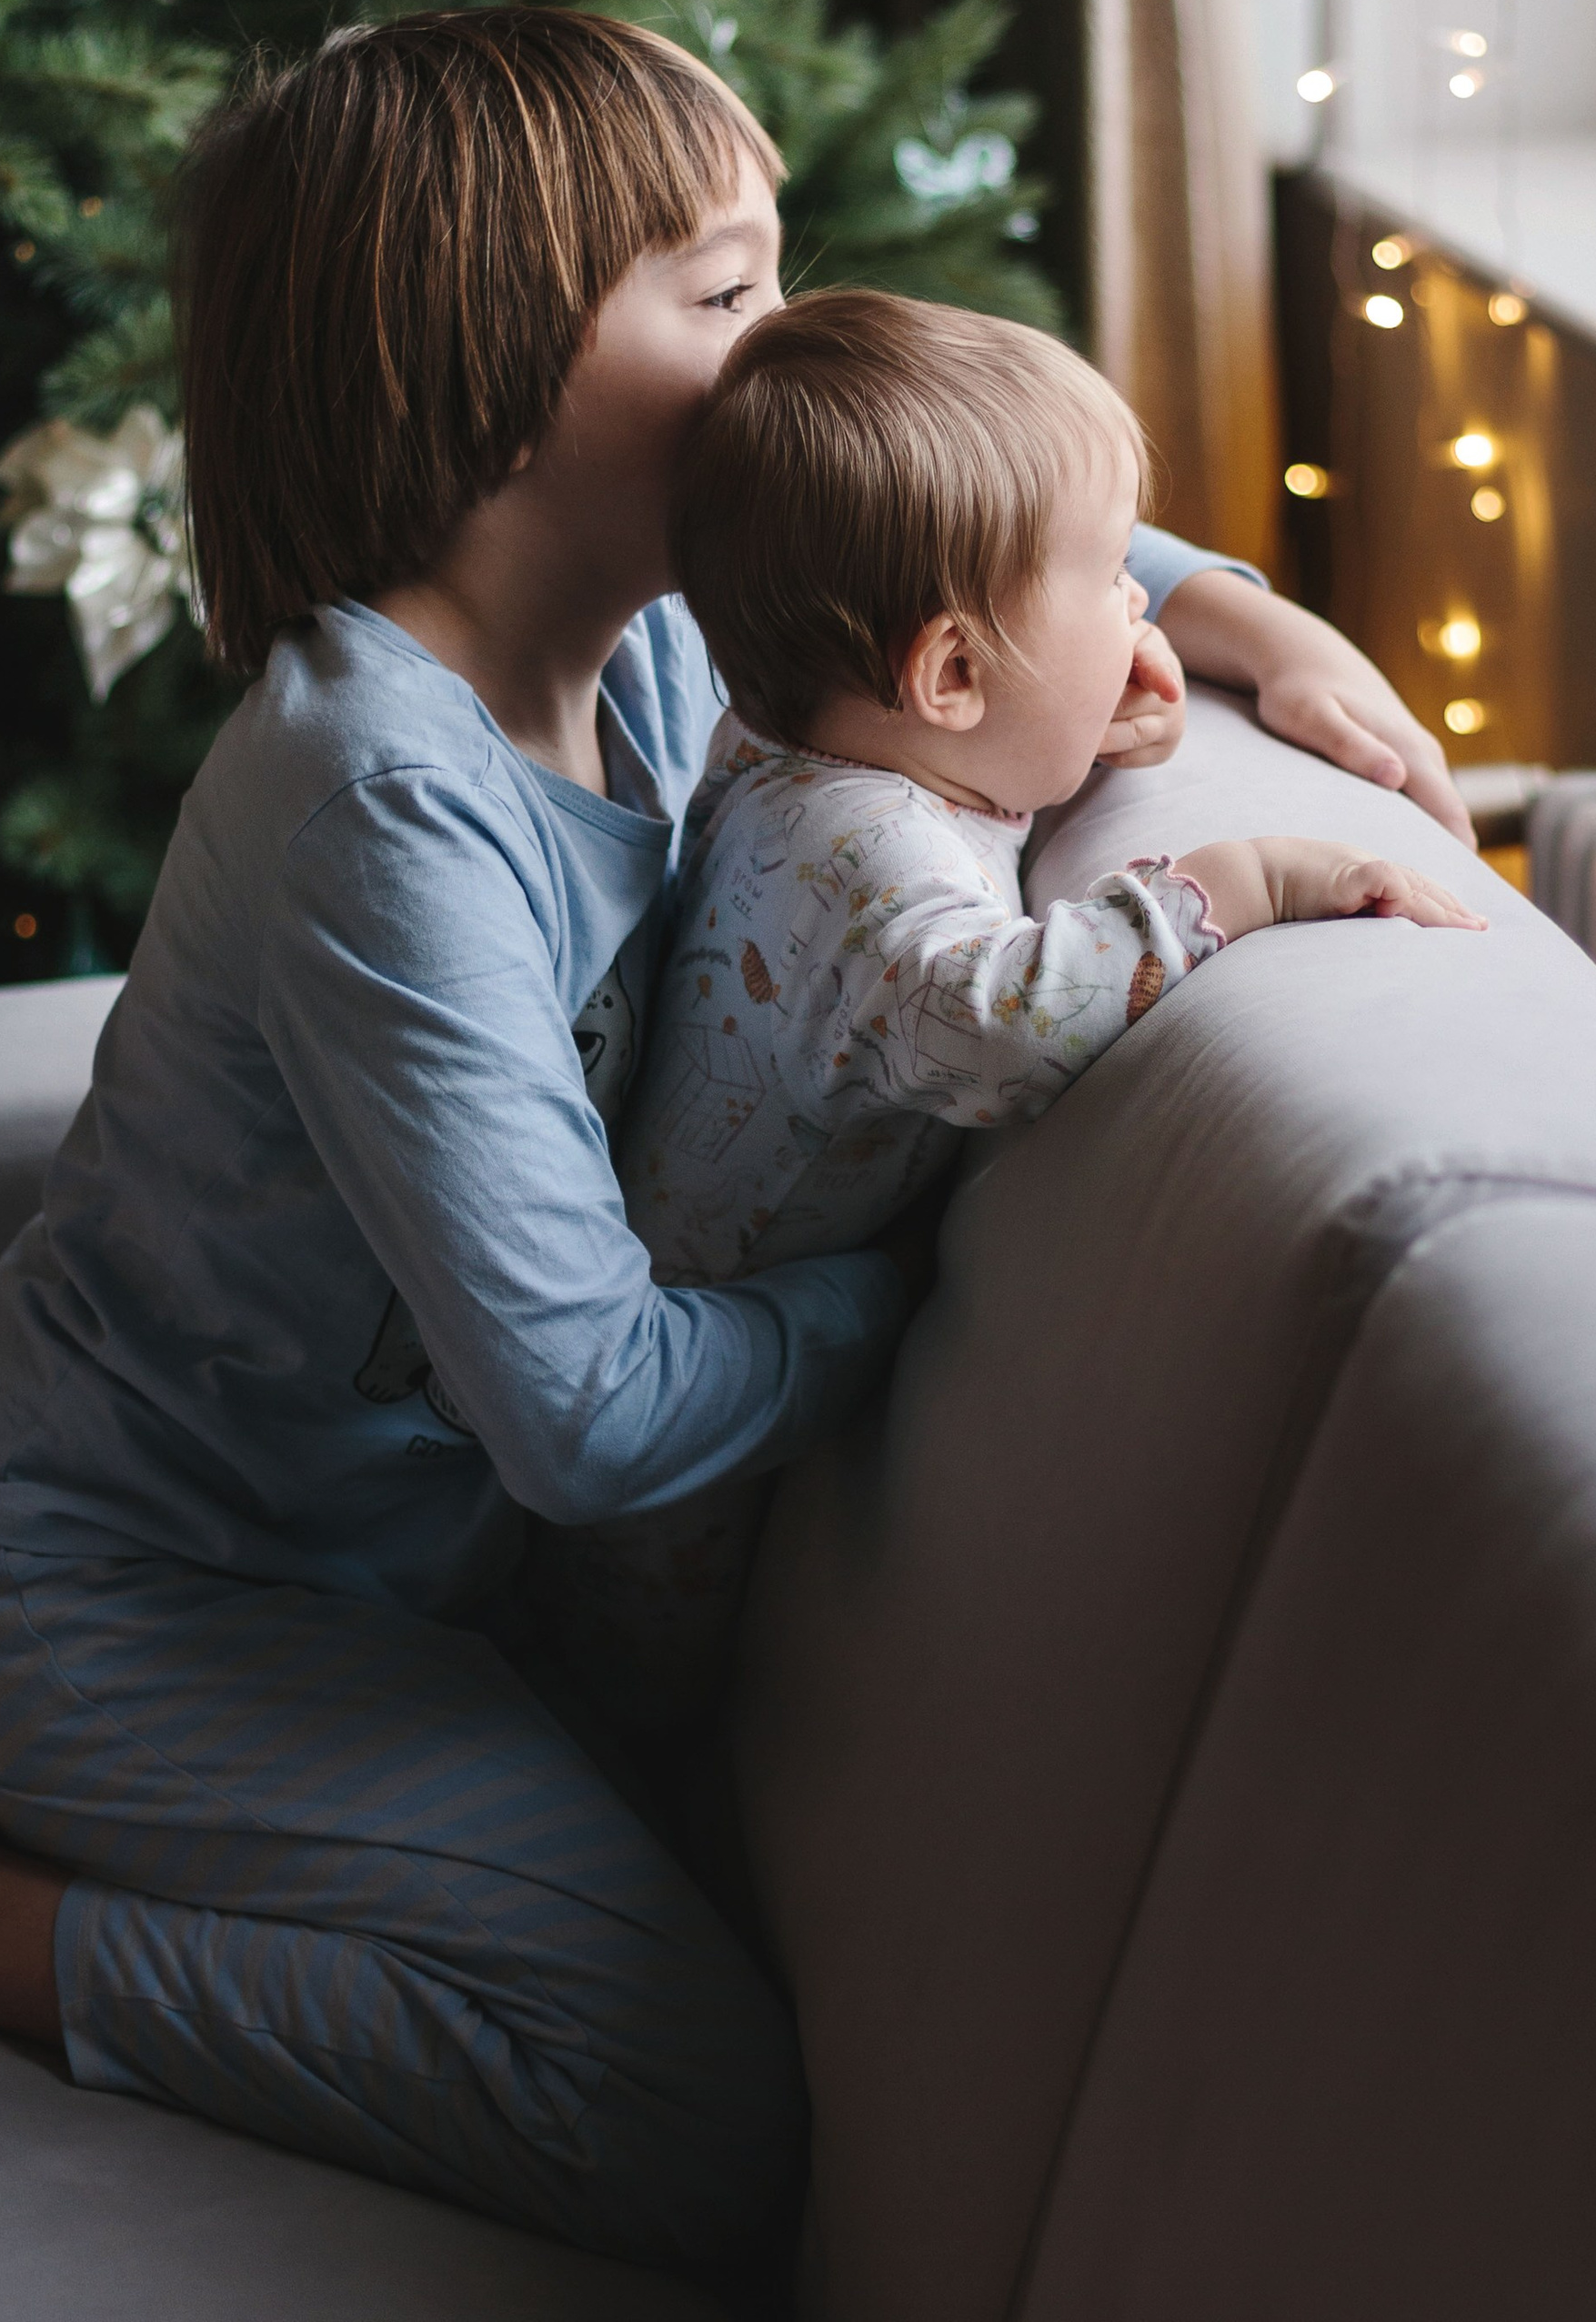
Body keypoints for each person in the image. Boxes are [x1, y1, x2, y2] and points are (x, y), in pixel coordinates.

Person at [0, 15, 1474, 2278]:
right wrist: (907, 1296)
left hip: (326, 1583)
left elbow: (959, 515)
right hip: (143, 1589)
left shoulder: (665, 649)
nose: (788, 355)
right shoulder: (379, 795)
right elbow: (579, 1409)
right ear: (497, 367)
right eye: (724, 298)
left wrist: (1228, 608)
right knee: (681, 2111)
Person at [532, 289, 1483, 1728]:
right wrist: (1240, 880)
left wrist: (1077, 721)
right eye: (1108, 578)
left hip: (715, 1342)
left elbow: (951, 789)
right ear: (953, 672)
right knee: (644, 1716)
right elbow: (995, 1020)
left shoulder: (791, 733)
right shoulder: (866, 861)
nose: (1138, 602)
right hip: (683, 1461)